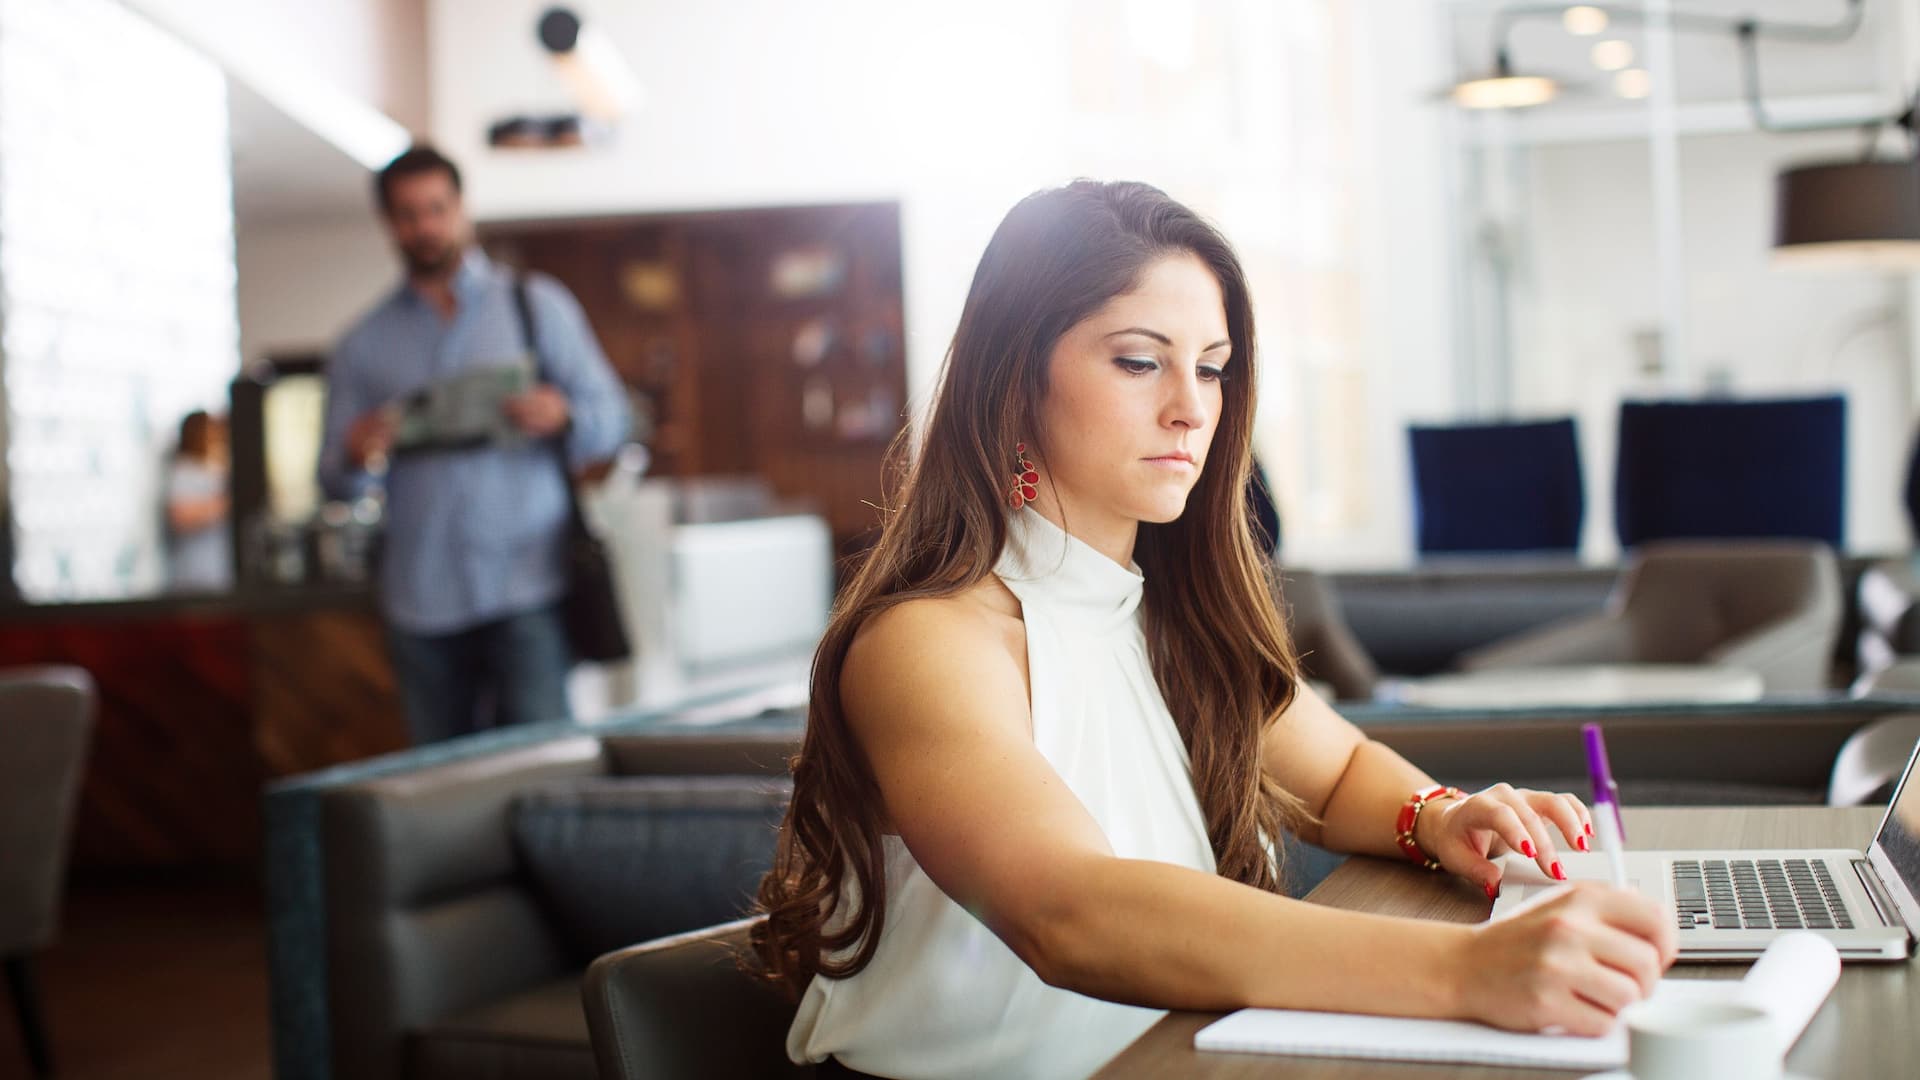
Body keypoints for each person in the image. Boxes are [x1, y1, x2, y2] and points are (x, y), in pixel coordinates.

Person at [751, 181, 1677, 1080]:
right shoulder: (931, 640)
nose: (1192, 407)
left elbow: (1344, 771)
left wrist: (1438, 815)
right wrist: (1469, 973)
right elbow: (1066, 911)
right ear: (1013, 381)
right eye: (1139, 360)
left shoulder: (1169, 615)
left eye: (1212, 366)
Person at [318, 145, 629, 744]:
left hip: (530, 585)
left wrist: (565, 415)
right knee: (439, 789)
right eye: (408, 214)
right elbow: (333, 479)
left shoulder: (537, 306)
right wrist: (357, 454)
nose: (425, 226)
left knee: (545, 773)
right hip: (421, 598)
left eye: (437, 208)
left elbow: (613, 418)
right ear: (389, 223)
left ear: (462, 208)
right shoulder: (362, 344)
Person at [166, 410, 234, 592]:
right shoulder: (185, 470)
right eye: (210, 429)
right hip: (197, 573)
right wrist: (226, 504)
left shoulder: (214, 466)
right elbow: (180, 516)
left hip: (219, 570)